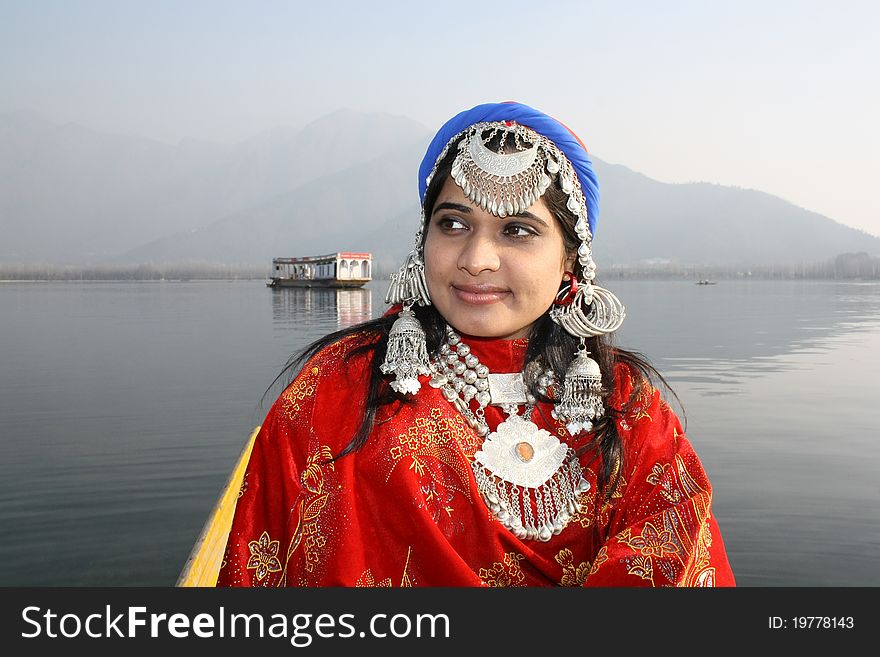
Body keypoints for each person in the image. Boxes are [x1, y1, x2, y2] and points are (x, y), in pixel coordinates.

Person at [216, 102, 735, 587]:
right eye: (454, 224)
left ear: (570, 262)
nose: (477, 258)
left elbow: (677, 559)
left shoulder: (627, 406)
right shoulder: (337, 390)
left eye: (518, 230)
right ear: (425, 240)